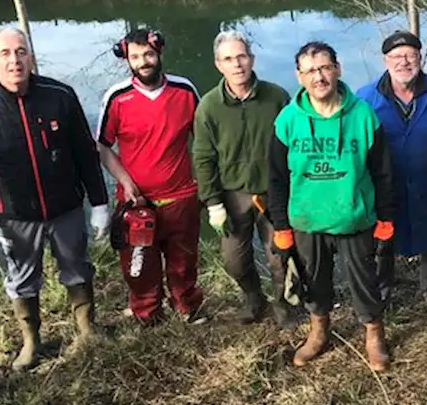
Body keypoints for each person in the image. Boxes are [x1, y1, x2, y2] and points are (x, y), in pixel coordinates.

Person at [0, 27, 109, 372]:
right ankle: (31, 340)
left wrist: (99, 204)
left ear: (31, 56)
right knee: (22, 278)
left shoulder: (61, 95)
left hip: (66, 206)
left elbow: (86, 153)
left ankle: (86, 328)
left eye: (21, 52)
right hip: (14, 215)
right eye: (6, 54)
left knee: (78, 267)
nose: (15, 61)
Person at [267, 41, 396, 371]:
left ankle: (373, 335)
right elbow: (277, 178)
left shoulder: (363, 114)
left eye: (324, 68)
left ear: (337, 69)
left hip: (355, 217)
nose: (319, 77)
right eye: (310, 71)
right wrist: (281, 226)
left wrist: (385, 217)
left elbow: (383, 172)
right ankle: (319, 332)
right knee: (313, 281)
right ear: (299, 77)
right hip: (306, 220)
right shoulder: (287, 120)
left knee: (364, 280)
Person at [96, 28, 206, 325]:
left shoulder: (184, 91)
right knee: (139, 265)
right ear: (127, 60)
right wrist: (126, 182)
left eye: (148, 54)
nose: (143, 61)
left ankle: (187, 306)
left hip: (181, 195)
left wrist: (204, 182)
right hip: (137, 202)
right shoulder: (117, 97)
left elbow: (204, 141)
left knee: (184, 261)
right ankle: (148, 314)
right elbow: (103, 147)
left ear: (159, 53)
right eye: (135, 56)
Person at [193, 30, 296, 326]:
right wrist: (212, 202)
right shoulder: (209, 106)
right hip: (232, 194)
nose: (237, 64)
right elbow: (202, 157)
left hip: (273, 192)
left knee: (280, 256)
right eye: (228, 59)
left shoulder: (276, 96)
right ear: (218, 65)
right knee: (234, 261)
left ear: (251, 59)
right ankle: (253, 298)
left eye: (241, 56)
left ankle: (283, 304)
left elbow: (294, 144)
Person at [355, 30, 427, 308]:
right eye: (396, 56)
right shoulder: (365, 98)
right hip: (384, 184)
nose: (404, 62)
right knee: (383, 240)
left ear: (420, 58)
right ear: (385, 61)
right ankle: (380, 294)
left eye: (410, 55)